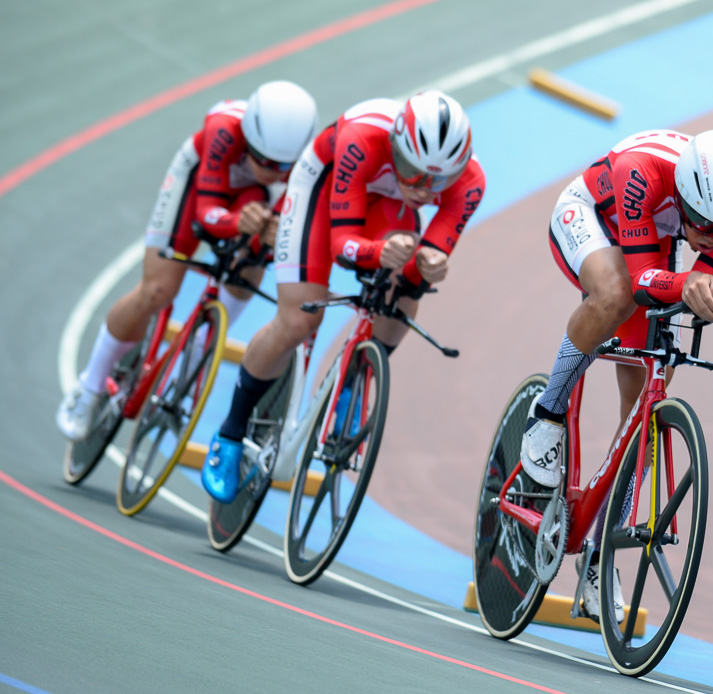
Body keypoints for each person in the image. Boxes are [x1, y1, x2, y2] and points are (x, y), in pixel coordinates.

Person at [519, 128, 713, 621]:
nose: (710, 235)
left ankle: (600, 551)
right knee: (613, 296)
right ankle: (547, 413)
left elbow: (699, 275)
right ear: (685, 191)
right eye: (701, 221)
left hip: (653, 244)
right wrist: (692, 280)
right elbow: (641, 283)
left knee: (647, 403)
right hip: (593, 219)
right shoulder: (641, 171)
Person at [200, 90, 485, 503]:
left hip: (387, 207)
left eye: (437, 181)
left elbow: (426, 261)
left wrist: (427, 265)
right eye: (412, 171)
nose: (422, 189)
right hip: (325, 187)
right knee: (298, 320)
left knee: (405, 286)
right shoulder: (363, 138)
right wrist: (375, 253)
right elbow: (341, 245)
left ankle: (357, 378)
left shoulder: (470, 184)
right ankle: (230, 431)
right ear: (396, 146)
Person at [56, 80, 319, 441]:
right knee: (157, 290)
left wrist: (274, 236)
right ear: (248, 137)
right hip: (198, 184)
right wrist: (234, 223)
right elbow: (205, 211)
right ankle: (88, 388)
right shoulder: (223, 131)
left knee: (256, 253)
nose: (274, 169)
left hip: (253, 200)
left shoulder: (305, 166)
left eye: (283, 165)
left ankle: (189, 370)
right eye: (263, 159)